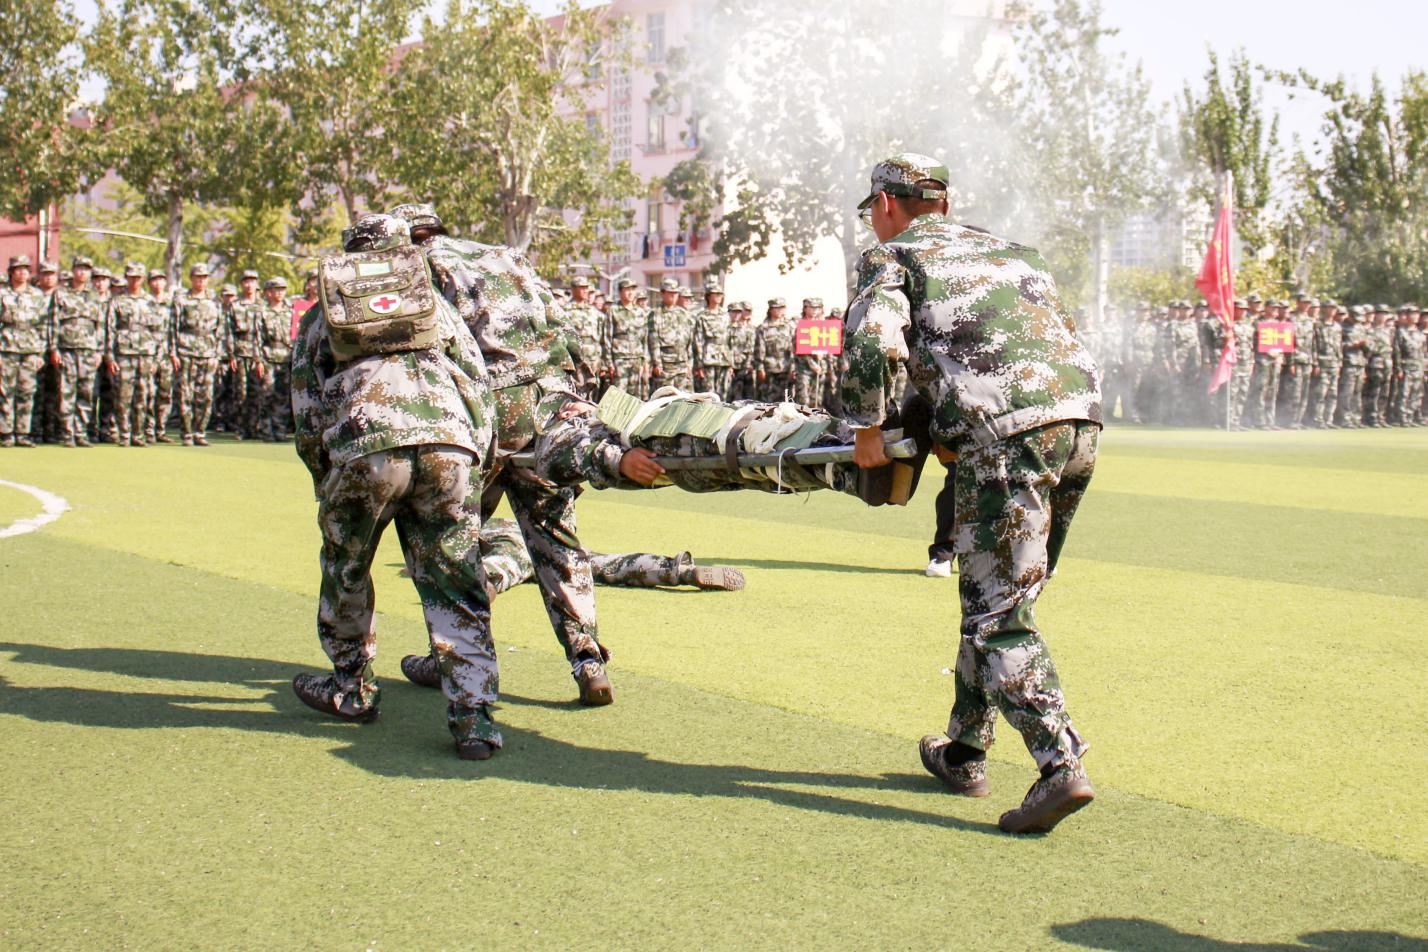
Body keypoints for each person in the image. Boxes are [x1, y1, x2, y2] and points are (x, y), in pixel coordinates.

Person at [843, 153, 1102, 834]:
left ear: (887, 204)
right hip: (1078, 424)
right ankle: (964, 748)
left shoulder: (893, 255)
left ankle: (1060, 764)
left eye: (872, 212)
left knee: (998, 613)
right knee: (999, 594)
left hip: (1006, 436)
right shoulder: (1013, 252)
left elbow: (873, 345)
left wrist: (867, 429)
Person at [288, 213, 502, 760]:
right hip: (449, 447)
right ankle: (474, 717)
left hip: (367, 447)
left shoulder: (324, 313)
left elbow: (306, 407)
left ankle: (351, 688)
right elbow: (477, 384)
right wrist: (475, 458)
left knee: (348, 565)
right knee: (456, 580)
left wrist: (324, 477)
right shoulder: (435, 306)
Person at [392, 202, 615, 706]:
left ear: (407, 237)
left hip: (484, 410)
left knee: (451, 543)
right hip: (548, 402)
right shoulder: (507, 256)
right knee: (557, 538)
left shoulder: (418, 266)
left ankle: (455, 660)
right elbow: (566, 332)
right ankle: (588, 661)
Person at [49, 256, 106, 446]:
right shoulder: (60, 293)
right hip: (67, 349)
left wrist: (99, 351)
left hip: (88, 350)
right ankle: (67, 433)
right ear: (73, 270)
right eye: (79, 268)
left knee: (86, 393)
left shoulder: (94, 295)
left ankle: (81, 432)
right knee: (66, 392)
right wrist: (54, 348)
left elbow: (100, 325)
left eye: (86, 269)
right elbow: (53, 322)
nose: (82, 272)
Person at [171, 263, 226, 446]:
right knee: (185, 394)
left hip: (208, 352)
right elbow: (173, 328)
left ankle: (199, 432)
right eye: (197, 277)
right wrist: (173, 352)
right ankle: (187, 433)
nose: (201, 280)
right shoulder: (181, 300)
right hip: (186, 351)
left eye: (204, 277)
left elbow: (220, 330)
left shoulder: (215, 301)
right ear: (191, 278)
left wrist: (217, 355)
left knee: (206, 395)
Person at [0, 255, 50, 446]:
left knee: (27, 391)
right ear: (11, 272)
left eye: (25, 269)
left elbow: (43, 325)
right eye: (18, 269)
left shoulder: (37, 295)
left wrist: (40, 353)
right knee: (6, 391)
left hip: (30, 349)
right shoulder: (3, 294)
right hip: (7, 348)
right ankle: (6, 433)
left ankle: (22, 433)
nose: (22, 272)